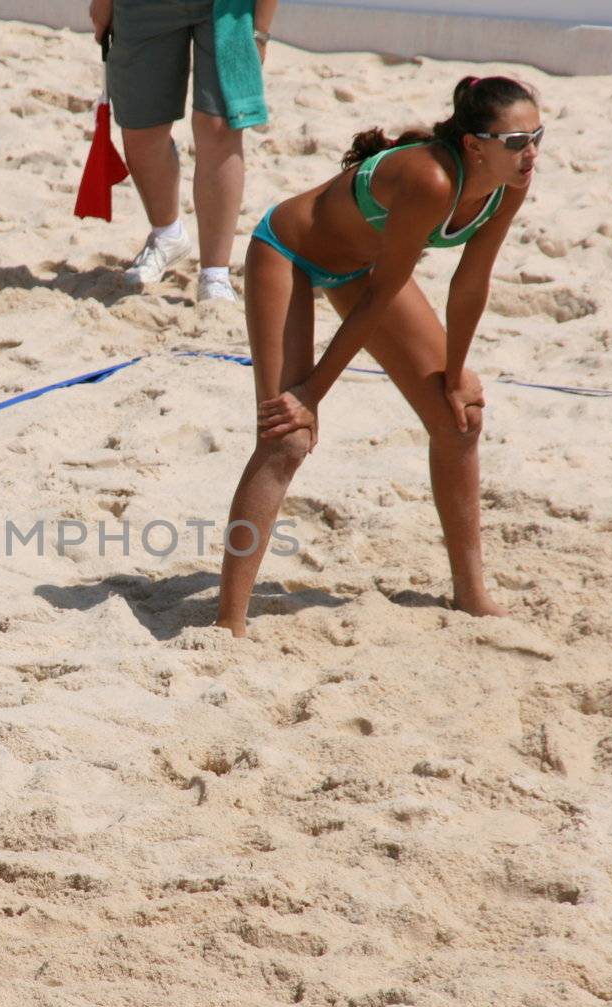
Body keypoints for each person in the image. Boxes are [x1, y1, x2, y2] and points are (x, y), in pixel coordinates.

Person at [216, 76, 543, 635]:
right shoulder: (431, 179)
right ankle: (228, 624)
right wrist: (309, 394)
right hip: (289, 252)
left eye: (538, 135)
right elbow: (382, 293)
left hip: (362, 271)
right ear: (474, 144)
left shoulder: (510, 183)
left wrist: (457, 372)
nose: (530, 152)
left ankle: (471, 595)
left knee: (459, 420)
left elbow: (470, 284)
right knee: (286, 435)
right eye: (515, 141)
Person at [89, 0, 278, 303]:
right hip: (142, 8)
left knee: (220, 124)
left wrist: (261, 31)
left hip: (228, 8)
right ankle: (167, 235)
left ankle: (215, 273)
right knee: (141, 130)